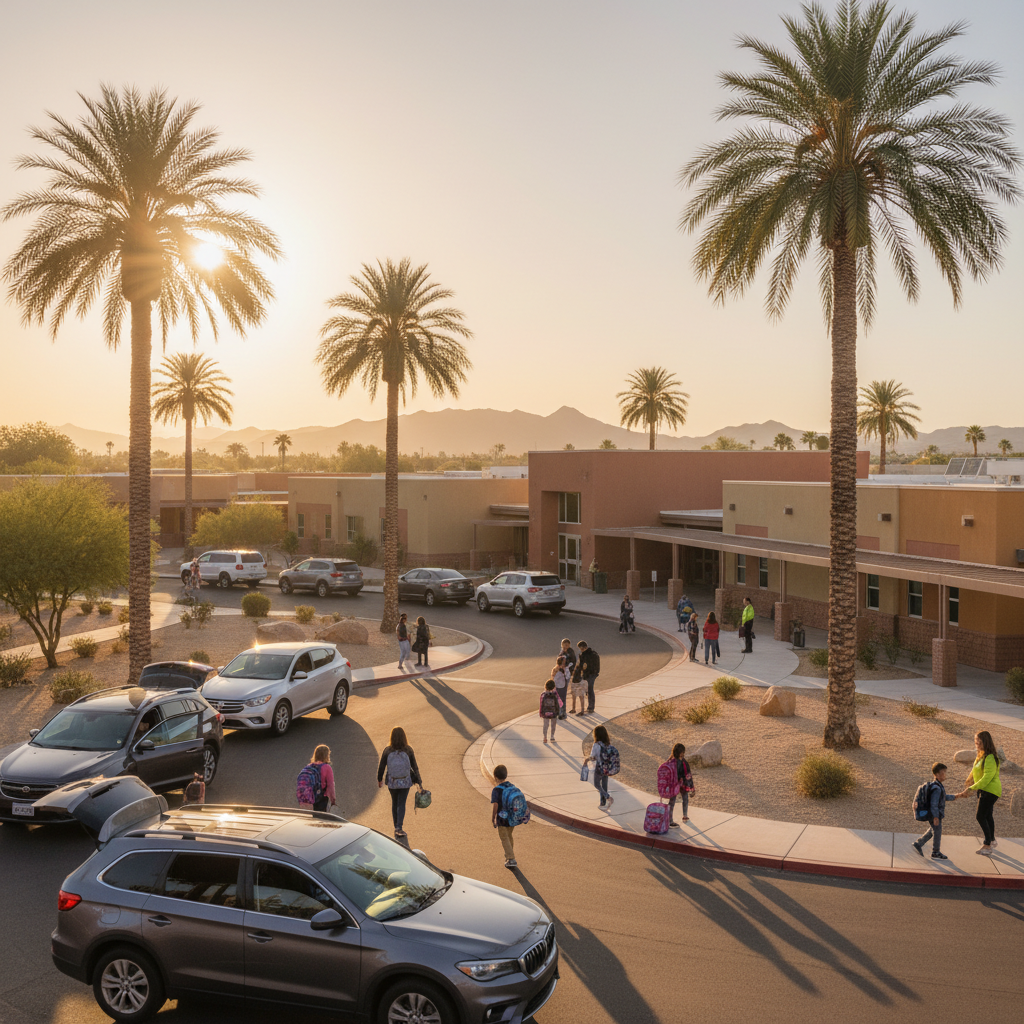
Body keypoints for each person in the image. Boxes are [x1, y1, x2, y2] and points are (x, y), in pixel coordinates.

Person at [957, 730, 1001, 856]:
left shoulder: (990, 757)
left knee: (980, 816)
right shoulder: (981, 754)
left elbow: (987, 778)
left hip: (990, 790)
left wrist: (971, 789)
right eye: (976, 740)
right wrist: (969, 782)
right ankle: (992, 840)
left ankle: (987, 845)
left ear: (985, 742)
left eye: (979, 741)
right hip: (984, 790)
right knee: (987, 816)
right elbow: (974, 770)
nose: (976, 743)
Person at [377, 727, 424, 839]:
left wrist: (379, 779)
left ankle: (396, 826)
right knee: (401, 802)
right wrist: (419, 782)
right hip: (405, 781)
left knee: (395, 802)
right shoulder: (408, 750)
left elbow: (382, 766)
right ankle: (399, 827)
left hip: (392, 782)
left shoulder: (388, 750)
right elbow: (414, 766)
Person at [912, 761, 957, 860]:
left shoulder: (936, 785)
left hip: (933, 814)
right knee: (937, 831)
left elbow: (943, 797)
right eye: (943, 772)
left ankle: (918, 843)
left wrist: (956, 796)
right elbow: (934, 804)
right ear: (937, 774)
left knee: (933, 830)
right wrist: (936, 817)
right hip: (934, 814)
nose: (945, 775)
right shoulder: (937, 788)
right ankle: (935, 852)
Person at [490, 764, 519, 868]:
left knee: (504, 837)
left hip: (502, 819)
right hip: (512, 818)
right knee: (509, 836)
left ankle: (511, 859)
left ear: (495, 777)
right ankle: (509, 857)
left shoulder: (497, 790)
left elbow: (496, 805)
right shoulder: (512, 786)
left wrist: (493, 817)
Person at [298, 744, 336, 812]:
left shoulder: (309, 766)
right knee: (320, 817)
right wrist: (333, 799)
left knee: (311, 816)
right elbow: (331, 785)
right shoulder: (327, 767)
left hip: (309, 796)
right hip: (321, 797)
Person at [585, 725, 614, 810]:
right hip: (607, 766)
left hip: (599, 767)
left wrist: (587, 759)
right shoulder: (608, 744)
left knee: (597, 784)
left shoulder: (596, 745)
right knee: (604, 784)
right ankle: (603, 802)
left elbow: (593, 756)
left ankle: (608, 798)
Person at [667, 743, 694, 826]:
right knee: (673, 801)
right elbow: (687, 775)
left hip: (680, 784)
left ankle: (684, 816)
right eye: (682, 751)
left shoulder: (679, 761)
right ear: (679, 752)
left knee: (684, 799)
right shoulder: (675, 762)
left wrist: (692, 787)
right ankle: (670, 820)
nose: (683, 753)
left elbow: (688, 773)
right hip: (676, 784)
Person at [574, 640, 601, 714]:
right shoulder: (583, 655)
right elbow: (581, 665)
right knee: (587, 690)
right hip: (587, 674)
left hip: (591, 674)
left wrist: (594, 672)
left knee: (590, 689)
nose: (581, 650)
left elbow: (596, 665)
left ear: (585, 647)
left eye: (582, 648)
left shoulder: (593, 654)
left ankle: (591, 707)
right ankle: (590, 706)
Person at [539, 679, 562, 743]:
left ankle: (545, 737)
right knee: (553, 724)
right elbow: (558, 704)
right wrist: (558, 711)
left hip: (545, 713)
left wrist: (541, 712)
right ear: (554, 687)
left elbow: (541, 704)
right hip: (553, 712)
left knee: (545, 725)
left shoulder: (543, 695)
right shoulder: (555, 695)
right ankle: (552, 736)